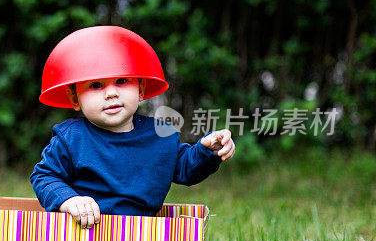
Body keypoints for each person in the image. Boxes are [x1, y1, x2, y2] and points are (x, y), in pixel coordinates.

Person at [30, 26, 235, 228]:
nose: (111, 93)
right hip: (83, 237)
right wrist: (69, 200)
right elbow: (44, 176)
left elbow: (185, 169)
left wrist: (207, 151)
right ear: (75, 98)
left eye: (121, 81)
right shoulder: (72, 139)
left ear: (141, 89)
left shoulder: (160, 136)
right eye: (96, 85)